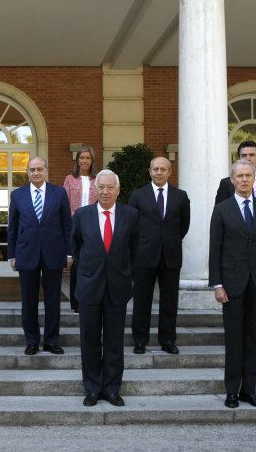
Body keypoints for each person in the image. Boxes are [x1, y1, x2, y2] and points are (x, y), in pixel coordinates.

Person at [209, 159, 256, 409]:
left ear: (254, 178)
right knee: (234, 339)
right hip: (231, 285)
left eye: (248, 175)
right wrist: (216, 284)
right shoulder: (222, 209)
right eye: (239, 176)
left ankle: (250, 390)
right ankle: (231, 392)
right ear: (233, 180)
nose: (244, 180)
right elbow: (214, 249)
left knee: (252, 340)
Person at [72, 169, 138, 407]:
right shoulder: (82, 215)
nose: (105, 191)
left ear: (118, 190)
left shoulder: (130, 215)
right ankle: (91, 388)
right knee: (89, 340)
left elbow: (135, 249)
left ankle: (111, 389)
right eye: (101, 187)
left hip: (118, 287)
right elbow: (77, 248)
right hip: (89, 287)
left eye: (110, 187)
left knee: (114, 341)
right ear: (95, 189)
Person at [214, 141, 256, 354]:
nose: (248, 158)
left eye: (252, 154)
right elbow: (220, 226)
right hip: (234, 265)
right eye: (244, 154)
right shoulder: (226, 187)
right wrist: (217, 282)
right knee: (235, 328)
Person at [7, 156, 72, 356]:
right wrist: (11, 254)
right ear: (27, 172)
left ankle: (52, 341)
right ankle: (32, 341)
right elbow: (13, 227)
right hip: (26, 254)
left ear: (46, 170)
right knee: (29, 301)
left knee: (53, 300)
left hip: (53, 253)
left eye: (39, 169)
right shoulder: (17, 195)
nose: (35, 173)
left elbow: (67, 225)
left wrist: (69, 252)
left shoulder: (59, 193)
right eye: (31, 169)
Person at [129, 157, 190, 355]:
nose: (159, 172)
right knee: (141, 300)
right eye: (155, 169)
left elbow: (184, 225)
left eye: (163, 169)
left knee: (169, 302)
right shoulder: (138, 196)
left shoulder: (181, 196)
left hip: (171, 256)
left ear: (170, 172)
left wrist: (169, 240)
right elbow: (132, 226)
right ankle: (140, 340)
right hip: (144, 256)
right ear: (150, 171)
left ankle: (168, 340)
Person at [63, 147, 98, 313]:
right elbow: (65, 203)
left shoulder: (98, 180)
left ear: (92, 161)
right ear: (77, 160)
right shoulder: (69, 179)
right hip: (74, 225)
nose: (84, 161)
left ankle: (91, 299)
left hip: (93, 226)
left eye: (87, 158)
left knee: (92, 263)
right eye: (81, 158)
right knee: (76, 265)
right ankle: (76, 303)